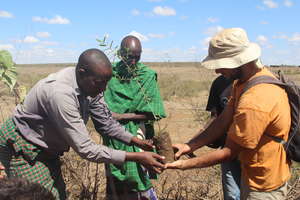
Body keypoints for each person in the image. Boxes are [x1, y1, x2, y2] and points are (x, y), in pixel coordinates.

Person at [0, 49, 165, 200]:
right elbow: (86, 149)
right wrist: (137, 157)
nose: (103, 89)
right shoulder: (61, 94)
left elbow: (106, 123)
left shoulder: (91, 85)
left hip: (46, 149)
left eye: (106, 82)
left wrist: (137, 141)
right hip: (23, 147)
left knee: (56, 195)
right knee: (36, 195)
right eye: (100, 83)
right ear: (82, 72)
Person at [165, 28, 291, 200]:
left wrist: (184, 164)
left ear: (239, 62)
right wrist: (189, 146)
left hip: (264, 186)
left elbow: (228, 152)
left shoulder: (256, 100)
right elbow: (222, 121)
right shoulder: (243, 83)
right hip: (251, 174)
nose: (217, 71)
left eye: (220, 65)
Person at [103, 35, 166, 200]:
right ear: (119, 53)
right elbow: (101, 109)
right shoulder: (110, 74)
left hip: (140, 132)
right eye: (129, 56)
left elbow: (154, 112)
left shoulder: (146, 75)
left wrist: (123, 116)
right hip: (113, 134)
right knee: (115, 176)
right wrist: (114, 118)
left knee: (138, 175)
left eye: (137, 57)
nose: (133, 61)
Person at [206, 75, 241, 200]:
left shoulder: (259, 83)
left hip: (254, 154)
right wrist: (194, 142)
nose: (217, 70)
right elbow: (215, 118)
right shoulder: (219, 82)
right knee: (232, 195)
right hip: (228, 150)